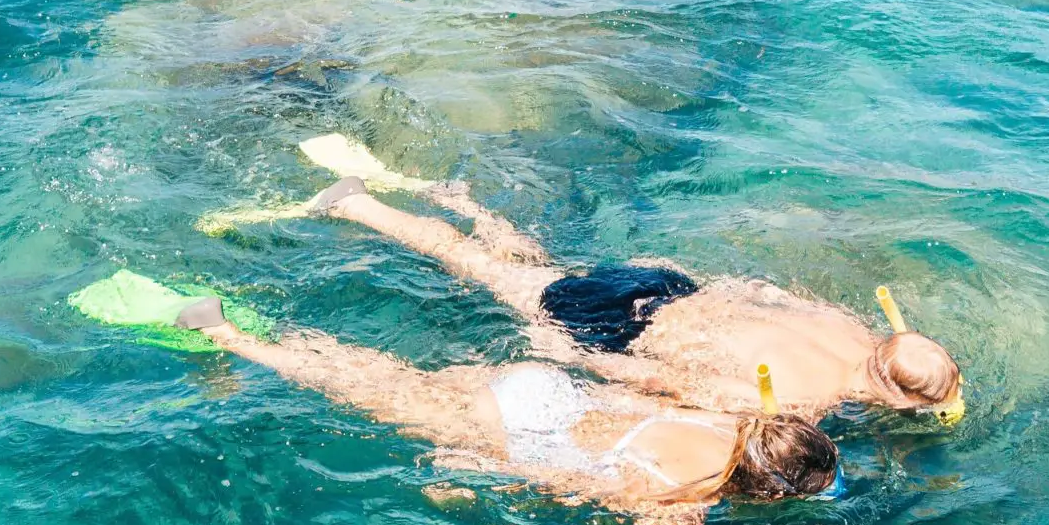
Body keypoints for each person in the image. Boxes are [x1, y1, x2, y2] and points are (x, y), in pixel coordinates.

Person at [303, 174, 965, 421]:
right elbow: (662, 380)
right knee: (481, 269)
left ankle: (459, 199)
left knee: (536, 269)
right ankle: (358, 204)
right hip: (620, 324)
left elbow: (757, 291)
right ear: (896, 394)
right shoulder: (804, 401)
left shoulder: (844, 324)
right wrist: (580, 358)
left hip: (663, 284)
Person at [166, 293, 840, 525]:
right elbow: (573, 484)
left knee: (395, 380)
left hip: (545, 390)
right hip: (519, 428)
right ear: (761, 487)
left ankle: (272, 335)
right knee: (365, 391)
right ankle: (227, 337)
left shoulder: (732, 418)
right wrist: (480, 465)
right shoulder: (684, 499)